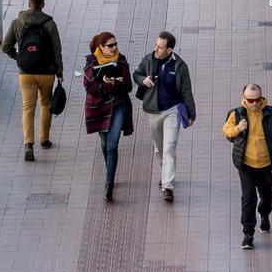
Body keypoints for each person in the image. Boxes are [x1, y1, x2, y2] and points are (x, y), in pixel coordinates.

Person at [1, 0, 64, 162]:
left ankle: (29, 143)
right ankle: (44, 139)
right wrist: (59, 70)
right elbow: (57, 50)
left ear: (29, 3)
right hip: (47, 73)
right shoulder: (50, 23)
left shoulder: (17, 22)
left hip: (26, 73)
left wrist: (19, 58)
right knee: (45, 104)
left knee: (28, 107)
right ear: (43, 4)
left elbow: (6, 47)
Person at [222, 84, 272, 249]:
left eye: (257, 100)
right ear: (244, 99)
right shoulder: (237, 114)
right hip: (246, 165)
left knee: (266, 194)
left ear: (261, 98)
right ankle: (248, 234)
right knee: (248, 198)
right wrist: (238, 128)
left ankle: (264, 215)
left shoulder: (271, 114)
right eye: (250, 100)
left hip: (266, 165)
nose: (254, 104)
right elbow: (226, 131)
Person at [133, 32, 196, 202]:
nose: (156, 49)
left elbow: (186, 90)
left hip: (172, 111)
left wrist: (191, 113)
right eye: (156, 45)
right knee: (159, 149)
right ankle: (164, 171)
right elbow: (136, 74)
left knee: (169, 148)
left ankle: (167, 186)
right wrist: (142, 80)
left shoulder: (180, 66)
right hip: (152, 111)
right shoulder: (149, 59)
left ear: (169, 50)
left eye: (160, 47)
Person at [83, 31, 133, 202]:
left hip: (118, 105)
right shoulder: (91, 63)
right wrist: (105, 86)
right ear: (101, 47)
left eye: (115, 44)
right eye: (110, 45)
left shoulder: (121, 60)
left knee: (112, 145)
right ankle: (109, 169)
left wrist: (115, 82)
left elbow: (128, 85)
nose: (114, 48)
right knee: (104, 144)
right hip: (98, 109)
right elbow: (89, 86)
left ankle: (109, 184)